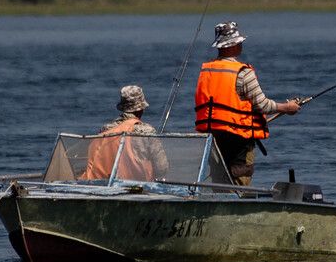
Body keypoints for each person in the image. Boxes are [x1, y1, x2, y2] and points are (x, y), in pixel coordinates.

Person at [194, 21, 300, 185]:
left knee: (218, 181)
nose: (241, 44)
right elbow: (262, 105)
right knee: (239, 182)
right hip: (238, 139)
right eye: (239, 42)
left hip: (211, 138)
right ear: (233, 45)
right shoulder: (243, 72)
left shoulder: (207, 70)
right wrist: (287, 108)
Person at [80, 85, 169, 181]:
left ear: (123, 108)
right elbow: (162, 168)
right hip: (138, 189)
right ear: (141, 109)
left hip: (105, 185)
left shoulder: (105, 130)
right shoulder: (147, 131)